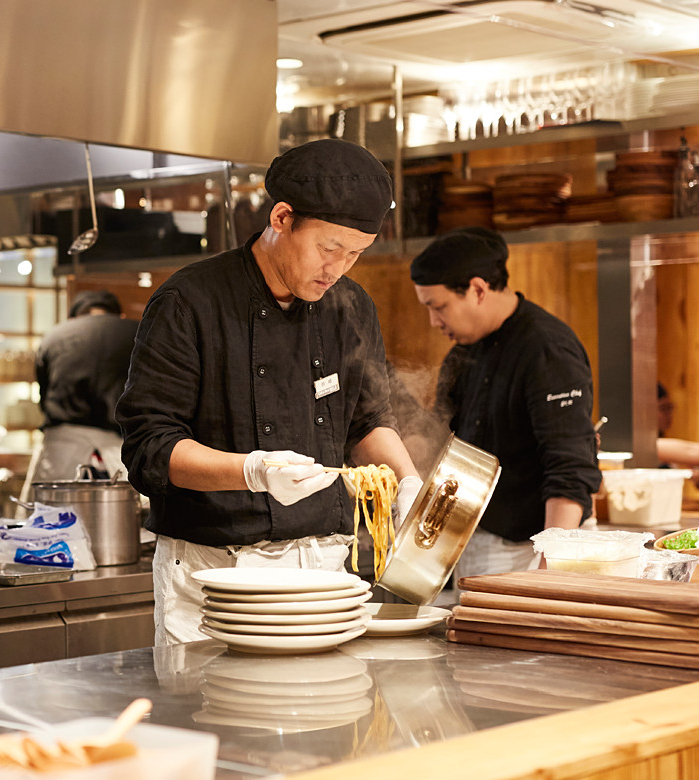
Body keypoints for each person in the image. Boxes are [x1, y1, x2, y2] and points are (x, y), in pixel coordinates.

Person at [117, 138, 423, 646]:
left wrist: (407, 482)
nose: (338, 269)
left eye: (355, 254)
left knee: (328, 715)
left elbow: (368, 419)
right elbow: (150, 448)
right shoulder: (189, 302)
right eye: (328, 249)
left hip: (326, 569)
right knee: (216, 715)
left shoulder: (350, 305)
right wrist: (251, 472)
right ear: (281, 218)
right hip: (215, 575)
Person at [410, 226, 602, 577]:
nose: (433, 321)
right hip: (477, 539)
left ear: (478, 289)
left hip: (535, 547)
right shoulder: (463, 355)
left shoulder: (546, 350)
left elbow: (570, 470)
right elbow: (443, 443)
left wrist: (550, 570)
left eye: (439, 307)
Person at [26, 290, 138, 485]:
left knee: (52, 511)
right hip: (122, 447)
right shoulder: (137, 332)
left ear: (72, 317)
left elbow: (43, 396)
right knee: (125, 510)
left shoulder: (54, 335)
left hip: (62, 447)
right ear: (119, 315)